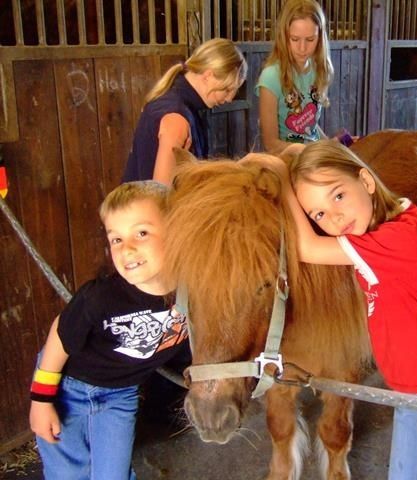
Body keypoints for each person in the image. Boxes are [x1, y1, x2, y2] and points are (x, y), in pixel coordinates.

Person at [252, 140, 417, 480]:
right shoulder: (399, 214)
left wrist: (279, 173)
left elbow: (306, 247)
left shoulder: (393, 241)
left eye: (338, 196)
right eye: (318, 214)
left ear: (366, 180)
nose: (335, 217)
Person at [29, 181, 189, 479]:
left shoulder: (196, 289)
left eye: (141, 233)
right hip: (69, 388)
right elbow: (60, 337)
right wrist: (41, 400)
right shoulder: (102, 297)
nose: (127, 248)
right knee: (68, 473)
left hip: (120, 395)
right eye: (116, 239)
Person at [123, 38, 247, 184]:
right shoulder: (177, 118)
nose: (229, 99)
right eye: (226, 90)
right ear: (208, 76)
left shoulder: (176, 99)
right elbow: (161, 191)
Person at [256, 0, 334, 154]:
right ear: (284, 37)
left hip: (311, 153)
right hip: (286, 158)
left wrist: (332, 145)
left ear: (320, 38)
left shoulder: (319, 70)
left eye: (310, 39)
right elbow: (271, 144)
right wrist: (312, 150)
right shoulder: (270, 77)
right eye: (295, 39)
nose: (302, 48)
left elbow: (308, 125)